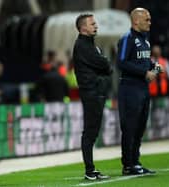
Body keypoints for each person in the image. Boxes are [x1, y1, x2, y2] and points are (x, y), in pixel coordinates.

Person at [117, 8, 162, 175]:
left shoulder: (146, 41)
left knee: (139, 128)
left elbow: (145, 61)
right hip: (130, 88)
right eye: (147, 19)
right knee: (130, 127)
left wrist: (155, 67)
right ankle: (128, 164)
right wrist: (145, 73)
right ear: (136, 21)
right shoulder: (127, 39)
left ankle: (135, 161)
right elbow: (121, 63)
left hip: (142, 89)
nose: (149, 22)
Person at [72, 14, 112, 180]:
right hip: (91, 93)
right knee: (90, 132)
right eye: (92, 23)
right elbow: (105, 64)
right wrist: (104, 66)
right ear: (83, 28)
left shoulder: (90, 45)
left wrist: (104, 66)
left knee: (93, 131)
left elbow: (105, 65)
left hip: (96, 92)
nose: (96, 25)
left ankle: (91, 168)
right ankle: (89, 170)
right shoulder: (83, 45)